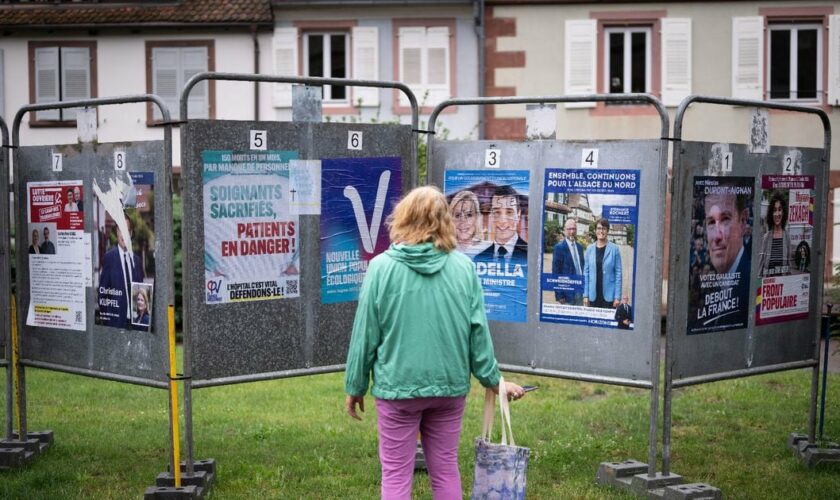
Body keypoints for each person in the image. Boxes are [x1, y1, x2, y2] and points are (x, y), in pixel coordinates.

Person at [344, 186, 525, 500]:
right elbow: (478, 334)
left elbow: (365, 335)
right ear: (445, 221)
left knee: (396, 475)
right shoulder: (464, 269)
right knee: (445, 470)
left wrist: (355, 385)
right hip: (449, 389)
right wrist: (493, 380)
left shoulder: (380, 268)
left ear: (403, 219)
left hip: (398, 389)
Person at [98, 216, 145, 328]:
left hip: (136, 325)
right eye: (121, 230)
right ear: (117, 232)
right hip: (116, 325)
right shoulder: (109, 258)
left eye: (127, 230)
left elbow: (142, 291)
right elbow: (102, 294)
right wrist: (109, 322)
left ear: (131, 233)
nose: (124, 234)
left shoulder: (137, 261)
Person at [475, 185, 527, 262]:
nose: (502, 221)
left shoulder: (529, 255)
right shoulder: (479, 258)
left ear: (518, 215)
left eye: (509, 212)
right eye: (497, 212)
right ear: (491, 216)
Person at [583, 218, 622, 308]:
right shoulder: (589, 249)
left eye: (604, 228)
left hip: (609, 296)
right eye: (599, 228)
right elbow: (586, 273)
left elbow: (618, 274)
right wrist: (585, 295)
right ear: (595, 230)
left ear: (607, 231)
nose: (601, 231)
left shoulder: (614, 249)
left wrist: (617, 297)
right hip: (593, 295)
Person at [551, 217, 585, 304]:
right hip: (567, 294)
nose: (572, 232)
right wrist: (559, 295)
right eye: (569, 229)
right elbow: (556, 273)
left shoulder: (580, 248)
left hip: (580, 291)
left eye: (574, 229)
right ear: (564, 230)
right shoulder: (559, 248)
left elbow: (583, 268)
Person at [448, 190, 489, 259]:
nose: (463, 221)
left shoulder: (488, 250)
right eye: (458, 215)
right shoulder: (443, 250)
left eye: (469, 215)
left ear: (477, 217)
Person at [758, 191, 790, 277]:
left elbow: (789, 265)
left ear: (783, 212)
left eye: (779, 210)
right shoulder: (766, 237)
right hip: (767, 285)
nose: (777, 214)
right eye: (774, 210)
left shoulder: (787, 237)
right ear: (771, 214)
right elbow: (760, 266)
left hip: (782, 285)